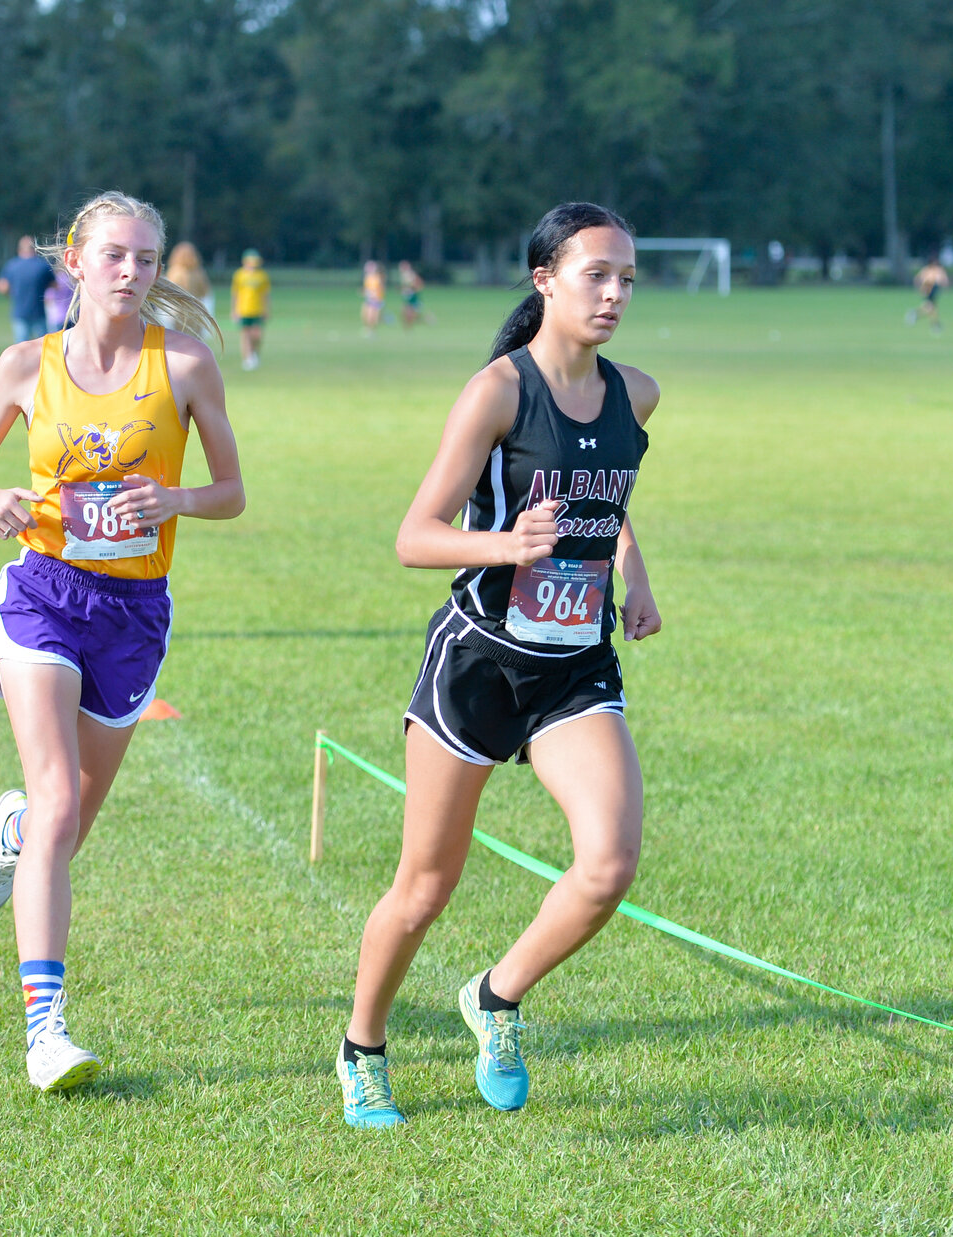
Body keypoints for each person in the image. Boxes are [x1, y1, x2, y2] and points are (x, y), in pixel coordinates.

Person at [337, 202, 662, 1128]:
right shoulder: (497, 393)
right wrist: (503, 546)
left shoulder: (635, 392)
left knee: (608, 863)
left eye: (626, 278)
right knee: (425, 887)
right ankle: (362, 1046)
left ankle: (497, 995)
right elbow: (412, 537)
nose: (614, 293)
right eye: (596, 274)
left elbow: (611, 486)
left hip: (574, 667)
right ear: (544, 280)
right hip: (478, 665)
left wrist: (634, 574)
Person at [0, 191, 245, 1093]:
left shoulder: (185, 364)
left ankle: (16, 833)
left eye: (147, 260)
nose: (132, 273)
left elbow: (230, 490)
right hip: (41, 596)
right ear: (74, 260)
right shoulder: (24, 366)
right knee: (59, 805)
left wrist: (177, 499)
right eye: (115, 255)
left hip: (134, 612)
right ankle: (46, 1030)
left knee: (66, 824)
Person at [0, 235, 56, 343]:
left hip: (19, 311)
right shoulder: (42, 265)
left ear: (19, 249)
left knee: (21, 346)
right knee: (44, 347)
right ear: (35, 249)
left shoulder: (12, 265)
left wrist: (13, 294)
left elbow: (2, 287)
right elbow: (54, 286)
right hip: (39, 312)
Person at [230, 249, 270, 370]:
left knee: (257, 335)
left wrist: (266, 309)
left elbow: (265, 294)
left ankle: (255, 353)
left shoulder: (262, 276)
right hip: (243, 309)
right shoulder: (239, 275)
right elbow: (235, 294)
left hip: (257, 309)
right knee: (245, 334)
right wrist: (234, 310)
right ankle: (247, 358)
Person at [165, 241, 214, 318]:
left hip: (177, 314)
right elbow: (206, 294)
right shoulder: (199, 272)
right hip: (196, 313)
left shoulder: (174, 272)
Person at [907, 254, 949, 332]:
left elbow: (943, 280)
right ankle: (934, 324)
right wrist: (920, 288)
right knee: (931, 307)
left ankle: (916, 315)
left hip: (933, 289)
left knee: (930, 307)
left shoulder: (936, 269)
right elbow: (918, 278)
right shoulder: (928, 270)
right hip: (929, 289)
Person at [398, 260, 427, 328]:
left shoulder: (411, 275)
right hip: (407, 296)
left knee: (408, 313)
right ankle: (425, 319)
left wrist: (413, 290)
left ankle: (409, 327)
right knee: (406, 313)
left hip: (413, 296)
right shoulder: (404, 275)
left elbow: (419, 284)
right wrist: (402, 289)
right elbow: (406, 286)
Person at [361, 260, 386, 336]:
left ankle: (372, 331)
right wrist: (364, 292)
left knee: (372, 317)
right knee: (365, 315)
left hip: (376, 300)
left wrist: (377, 296)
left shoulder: (378, 277)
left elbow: (381, 289)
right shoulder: (367, 278)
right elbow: (366, 289)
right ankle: (369, 330)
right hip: (369, 299)